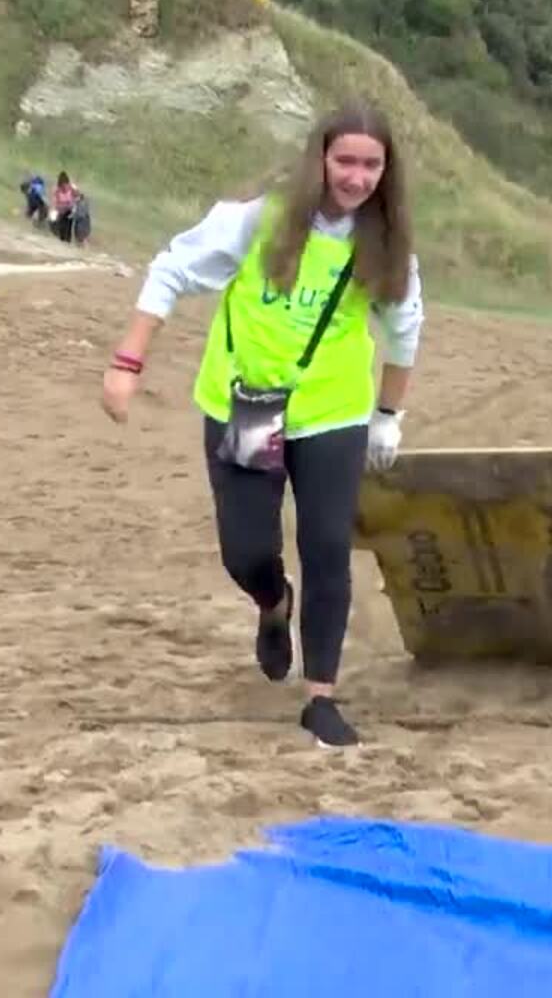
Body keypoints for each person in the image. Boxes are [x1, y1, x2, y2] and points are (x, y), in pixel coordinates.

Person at [99, 101, 425, 748]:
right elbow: (171, 270)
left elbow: (404, 333)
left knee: (328, 547)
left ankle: (321, 696)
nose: (357, 177)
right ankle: (273, 603)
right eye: (345, 161)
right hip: (244, 403)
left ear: (387, 172)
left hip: (331, 413)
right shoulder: (257, 220)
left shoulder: (386, 246)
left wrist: (388, 417)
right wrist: (127, 361)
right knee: (245, 550)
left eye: (372, 165)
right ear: (320, 159)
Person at [51, 172, 80, 243]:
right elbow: (54, 202)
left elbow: (78, 197)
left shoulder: (72, 188)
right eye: (62, 185)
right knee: (61, 230)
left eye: (65, 184)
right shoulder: (57, 189)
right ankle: (62, 242)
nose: (64, 187)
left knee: (68, 229)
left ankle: (67, 242)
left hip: (70, 211)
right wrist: (55, 210)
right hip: (61, 211)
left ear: (67, 183)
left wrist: (74, 205)